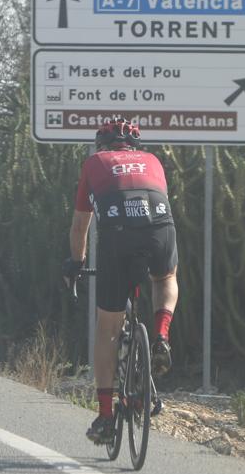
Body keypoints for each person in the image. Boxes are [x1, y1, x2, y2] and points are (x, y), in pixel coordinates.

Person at [63, 117, 179, 444]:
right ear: (135, 147)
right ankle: (161, 334)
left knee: (108, 328)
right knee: (165, 276)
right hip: (159, 227)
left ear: (102, 145)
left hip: (118, 236)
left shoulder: (94, 163)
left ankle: (105, 415)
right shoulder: (154, 161)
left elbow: (79, 226)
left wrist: (76, 263)